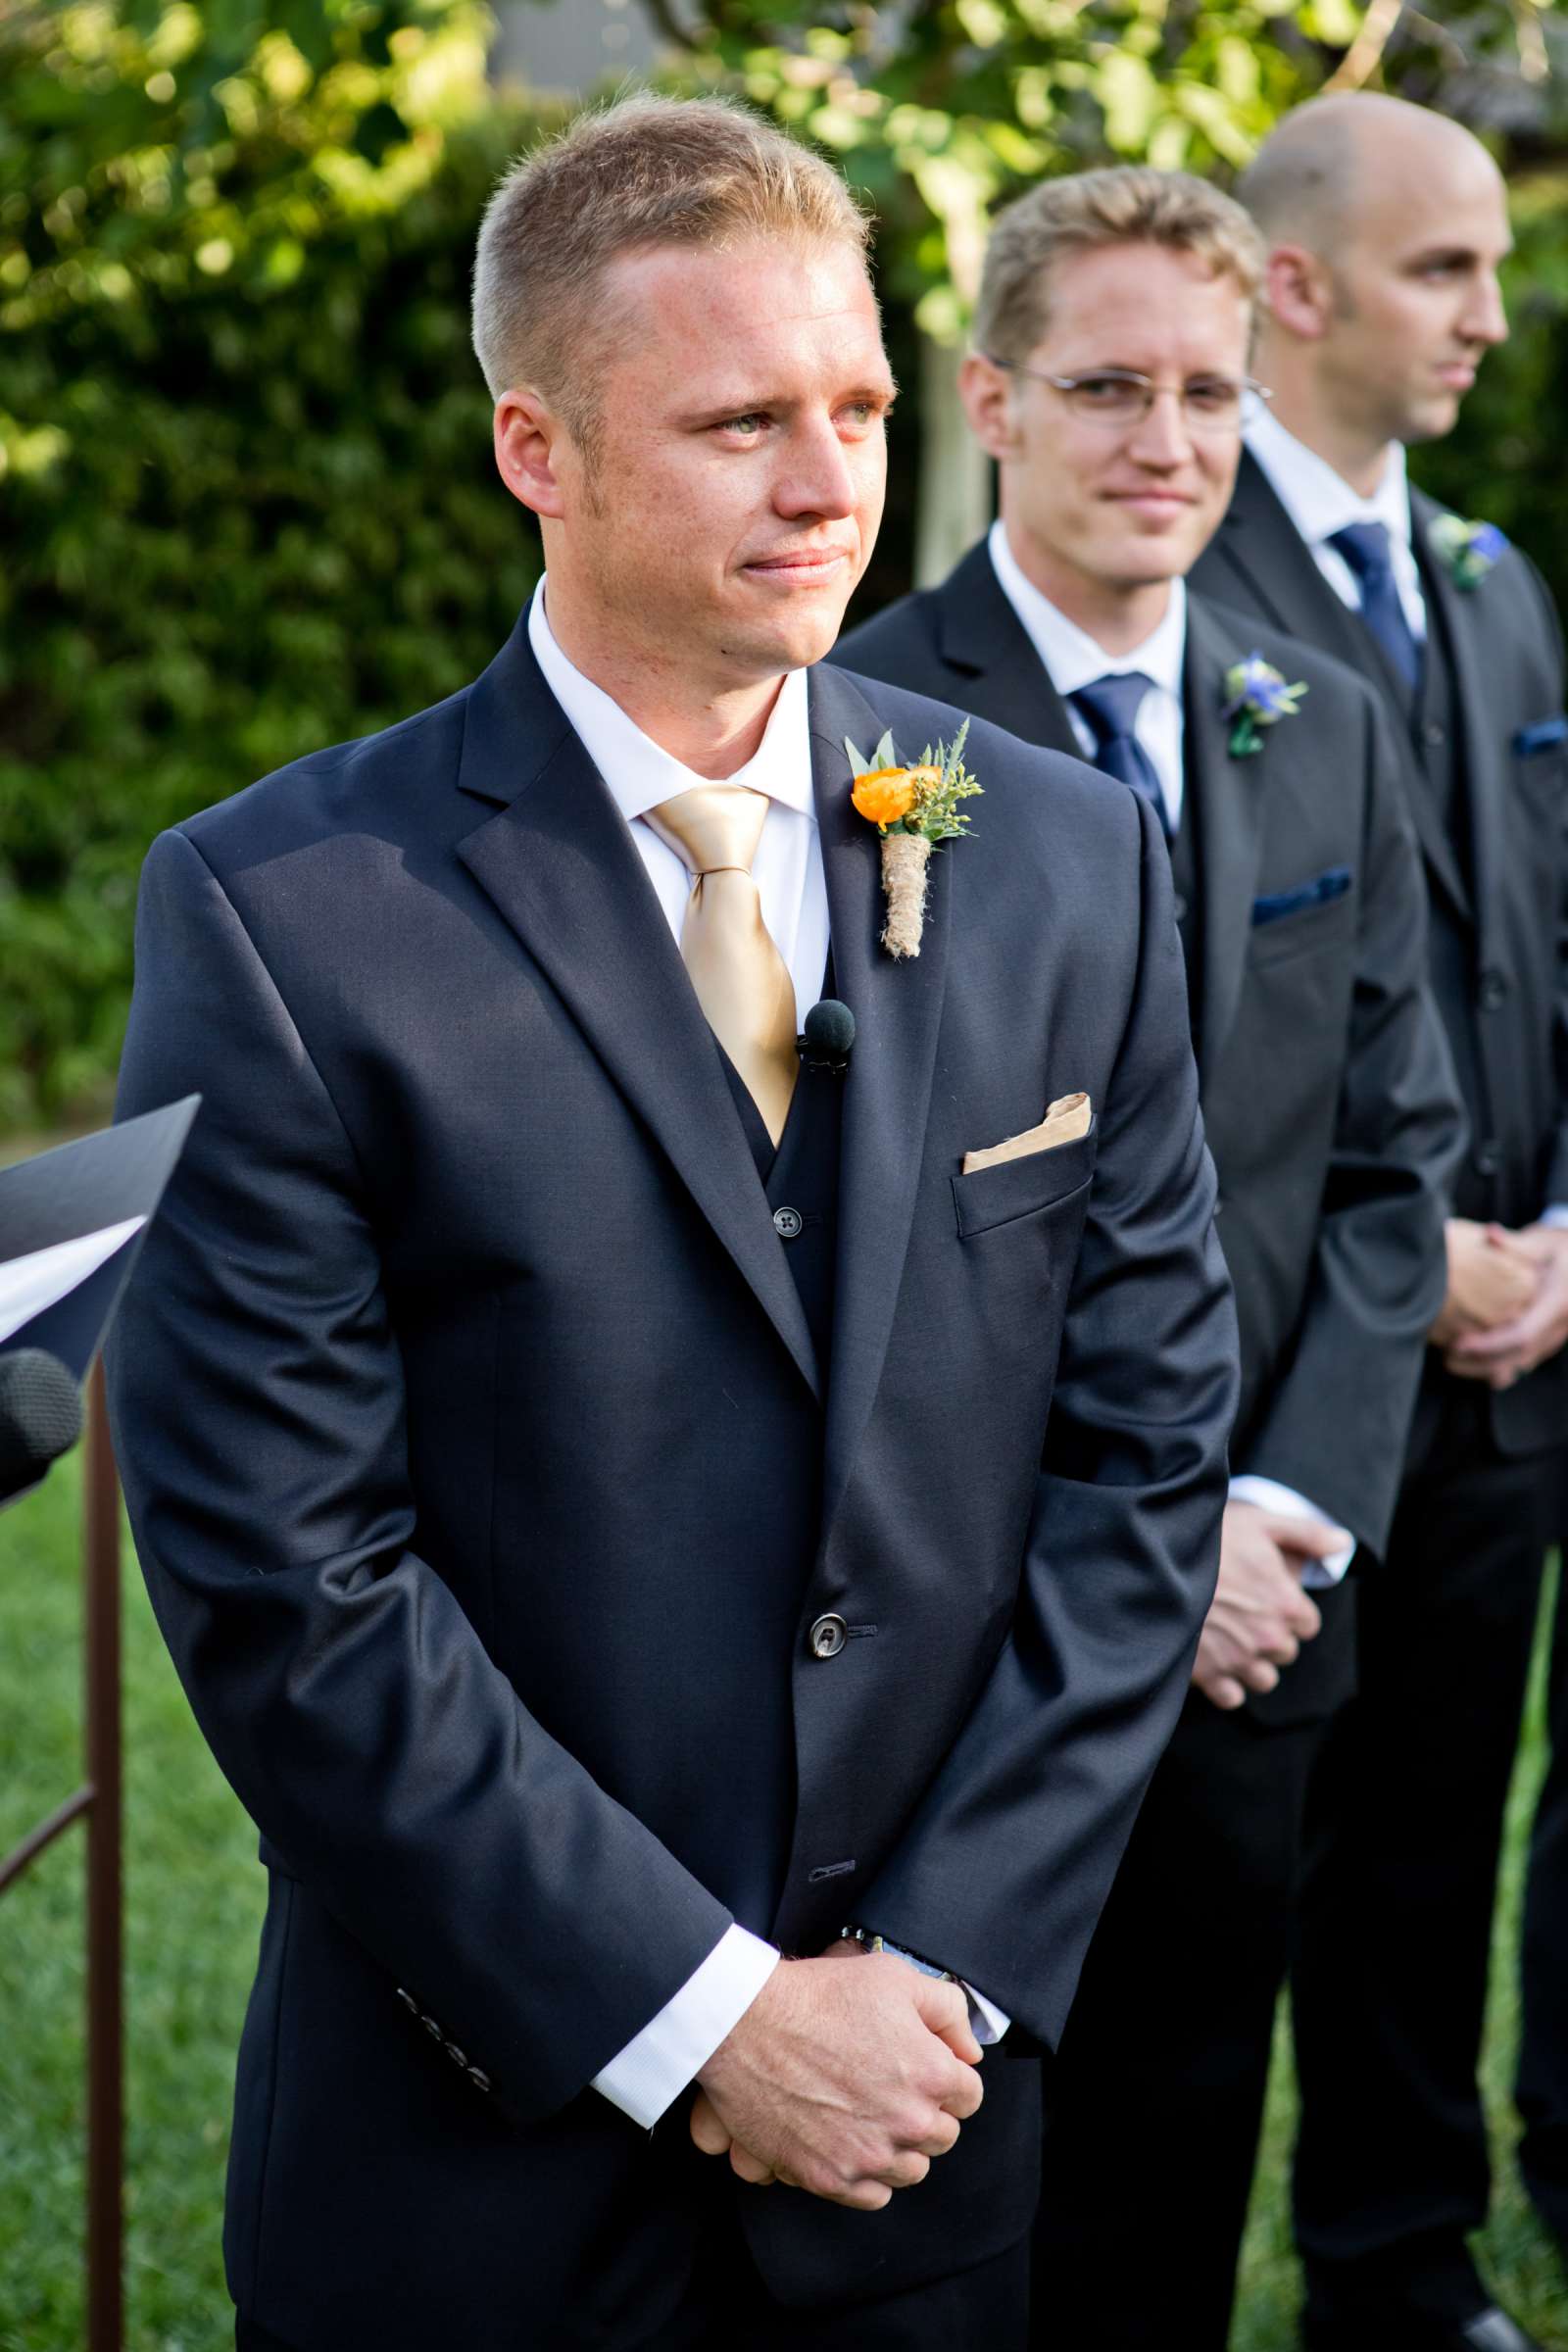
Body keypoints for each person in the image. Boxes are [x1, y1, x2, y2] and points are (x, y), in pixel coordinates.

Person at [106, 95, 1239, 2352]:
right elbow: (289, 1585)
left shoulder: (1062, 856)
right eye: (739, 425)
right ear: (537, 446)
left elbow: (1140, 1459)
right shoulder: (285, 918)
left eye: (857, 412)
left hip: (932, 2126)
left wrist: (936, 1979)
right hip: (478, 2149)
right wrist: (706, 2018)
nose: (830, 487)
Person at [840, 165, 1463, 2348]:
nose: (1165, 443)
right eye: (1106, 386)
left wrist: (1269, 1513)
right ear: (991, 400)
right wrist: (1124, 1528)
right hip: (963, 1608)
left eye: (1206, 391)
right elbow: (852, 1213)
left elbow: (1392, 1163)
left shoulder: (1327, 722)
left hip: (1254, 1611)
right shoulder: (857, 725)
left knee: (1183, 2141)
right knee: (947, 2156)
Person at [1192, 94, 1568, 2352]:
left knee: (1438, 1820)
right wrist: (1398, 1250)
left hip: (1523, 1349)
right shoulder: (1169, 574)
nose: (1489, 321)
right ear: (1294, 285)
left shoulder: (1493, 584)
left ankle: (1392, 2264)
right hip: (1285, 1362)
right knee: (1247, 1852)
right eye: (1443, 271)